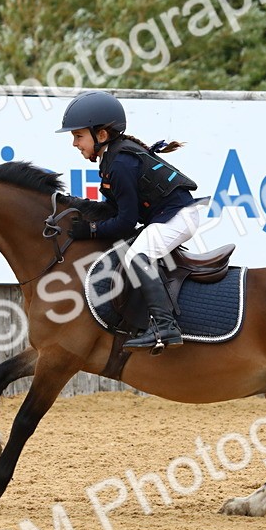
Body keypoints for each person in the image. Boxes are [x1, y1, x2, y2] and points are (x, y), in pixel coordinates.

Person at [57, 90, 205, 352]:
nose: (74, 144)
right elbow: (114, 209)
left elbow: (125, 222)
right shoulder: (112, 158)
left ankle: (165, 327)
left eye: (78, 136)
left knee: (137, 257)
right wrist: (76, 205)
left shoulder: (120, 164)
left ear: (102, 135)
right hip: (166, 216)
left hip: (178, 217)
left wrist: (90, 230)